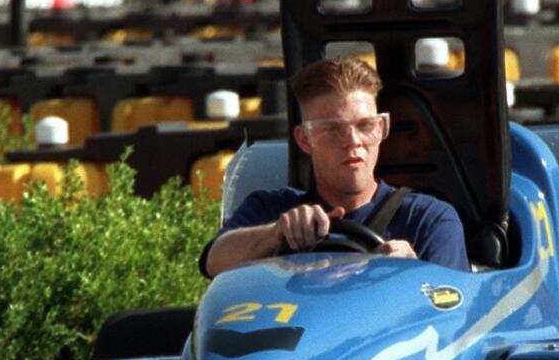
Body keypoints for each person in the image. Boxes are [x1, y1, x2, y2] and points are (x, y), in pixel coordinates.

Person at [201, 57, 469, 278]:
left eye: (365, 126)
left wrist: (414, 275)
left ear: (381, 129)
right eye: (333, 130)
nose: (353, 142)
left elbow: (454, 315)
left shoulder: (427, 220)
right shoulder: (272, 210)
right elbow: (214, 262)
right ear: (305, 140)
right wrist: (277, 234)